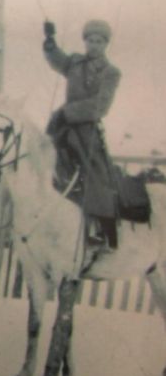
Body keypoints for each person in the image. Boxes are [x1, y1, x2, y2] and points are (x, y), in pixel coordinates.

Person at [43, 19, 121, 251]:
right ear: (85, 41)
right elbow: (58, 61)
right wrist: (49, 43)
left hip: (86, 132)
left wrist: (68, 112)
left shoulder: (111, 72)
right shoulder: (75, 62)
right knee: (42, 161)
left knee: (96, 175)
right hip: (62, 126)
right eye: (90, 40)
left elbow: (100, 105)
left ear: (106, 44)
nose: (94, 45)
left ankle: (105, 233)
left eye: (99, 41)